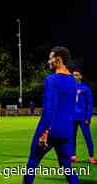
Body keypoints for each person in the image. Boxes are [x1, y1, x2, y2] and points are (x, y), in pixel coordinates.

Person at [23, 46, 79, 184]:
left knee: (32, 162)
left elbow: (50, 107)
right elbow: (71, 108)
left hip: (50, 129)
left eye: (50, 58)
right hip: (66, 131)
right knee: (67, 168)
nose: (48, 61)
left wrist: (45, 132)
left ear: (58, 60)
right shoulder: (73, 81)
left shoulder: (51, 79)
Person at [70, 69, 96, 164]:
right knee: (72, 137)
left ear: (80, 76)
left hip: (83, 117)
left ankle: (91, 156)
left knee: (87, 137)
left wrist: (88, 117)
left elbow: (89, 104)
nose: (74, 77)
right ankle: (72, 156)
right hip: (72, 117)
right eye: (73, 75)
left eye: (76, 75)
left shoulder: (86, 88)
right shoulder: (70, 88)